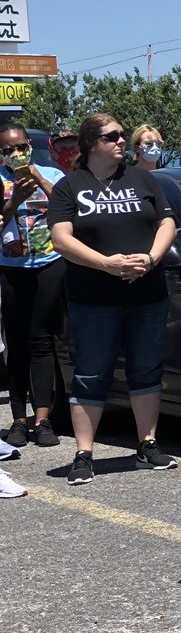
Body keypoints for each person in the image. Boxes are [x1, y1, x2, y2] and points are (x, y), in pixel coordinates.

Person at [47, 114, 179, 486]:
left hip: (147, 293)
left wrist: (151, 258)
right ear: (91, 145)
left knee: (146, 368)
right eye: (112, 137)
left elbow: (166, 222)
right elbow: (61, 239)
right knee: (91, 373)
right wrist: (105, 264)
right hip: (93, 298)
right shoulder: (70, 186)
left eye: (123, 135)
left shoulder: (143, 178)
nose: (122, 141)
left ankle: (147, 445)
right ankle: (84, 454)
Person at [0, 122, 66, 448]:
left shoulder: (52, 175)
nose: (15, 154)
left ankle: (43, 419)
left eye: (20, 147)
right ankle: (18, 419)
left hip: (49, 265)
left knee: (41, 340)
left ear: (29, 145)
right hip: (11, 268)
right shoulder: (1, 180)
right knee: (16, 341)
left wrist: (37, 179)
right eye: (8, 151)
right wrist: (14, 200)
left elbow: (70, 208)